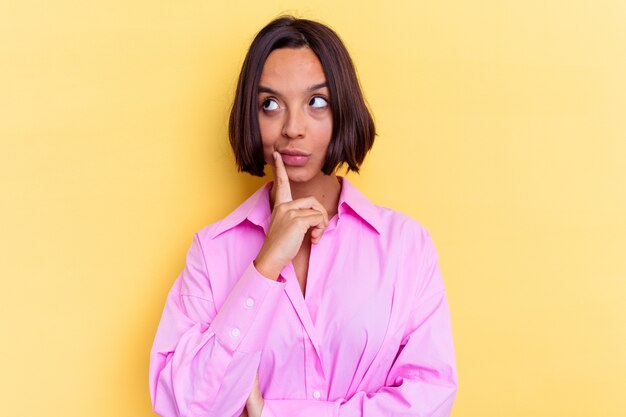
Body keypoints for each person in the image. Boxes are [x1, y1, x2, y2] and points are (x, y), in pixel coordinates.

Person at [149, 16, 458, 417]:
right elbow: (186, 407)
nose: (293, 128)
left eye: (316, 102)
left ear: (342, 109)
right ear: (250, 115)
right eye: (270, 105)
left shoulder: (405, 246)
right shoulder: (213, 251)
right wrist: (264, 267)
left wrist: (274, 414)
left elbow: (429, 398)